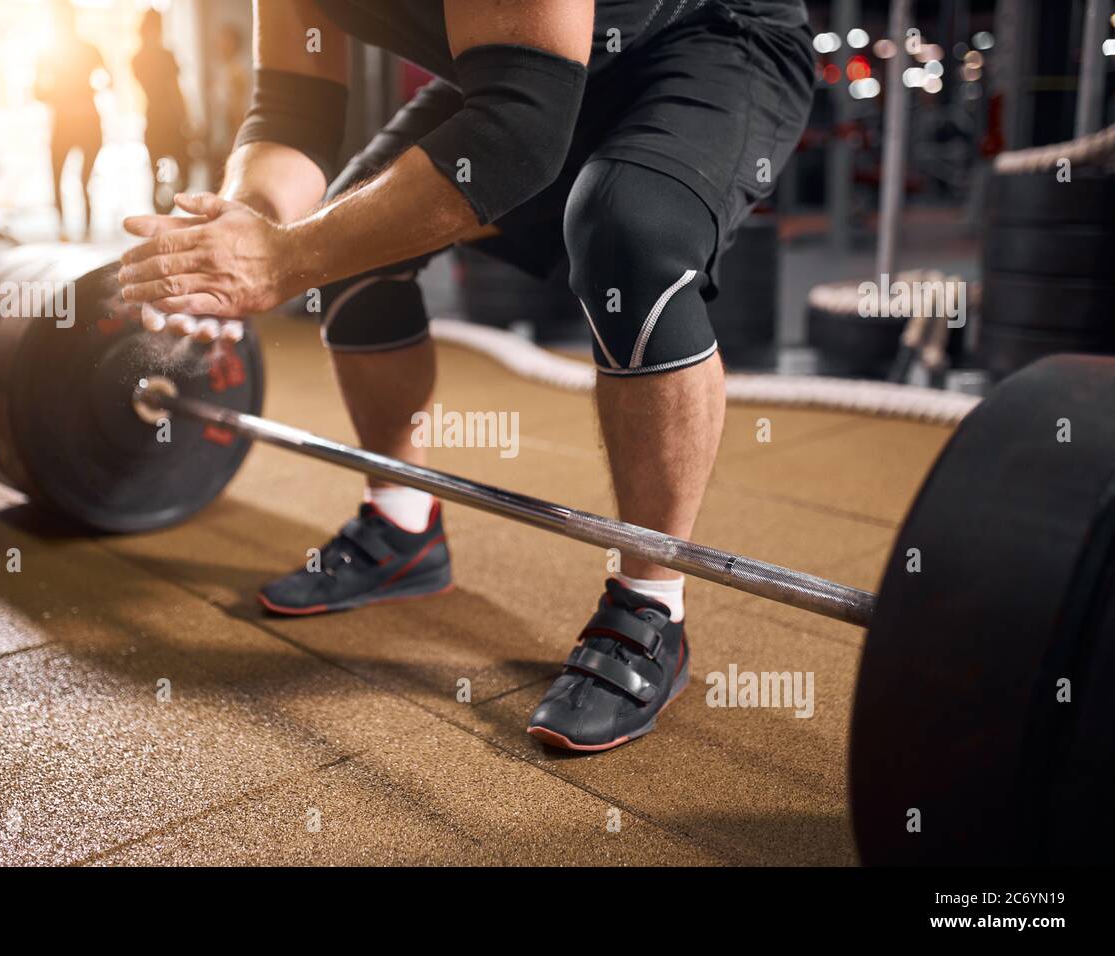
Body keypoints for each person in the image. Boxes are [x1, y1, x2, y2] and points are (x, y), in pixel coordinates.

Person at [118, 0, 814, 753]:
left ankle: (652, 605)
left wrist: (283, 261)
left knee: (629, 232)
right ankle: (402, 525)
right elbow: (292, 109)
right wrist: (248, 225)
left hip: (707, 43)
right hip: (519, 69)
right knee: (352, 245)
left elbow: (517, 131)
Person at [34, 1, 108, 241]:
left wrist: (83, 92)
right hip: (67, 123)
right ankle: (66, 229)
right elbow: (37, 91)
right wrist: (63, 94)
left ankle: (85, 230)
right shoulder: (49, 53)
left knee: (82, 179)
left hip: (85, 122)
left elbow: (109, 79)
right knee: (59, 176)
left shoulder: (88, 49)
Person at [132, 9, 192, 214]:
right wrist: (186, 118)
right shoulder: (163, 56)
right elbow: (174, 90)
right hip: (169, 120)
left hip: (155, 119)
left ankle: (163, 210)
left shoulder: (137, 58)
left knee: (160, 171)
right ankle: (164, 209)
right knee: (180, 169)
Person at [208, 23, 253, 177]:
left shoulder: (237, 70)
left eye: (225, 41)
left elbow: (237, 107)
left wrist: (234, 141)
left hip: (230, 137)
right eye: (219, 41)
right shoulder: (223, 69)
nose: (220, 46)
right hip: (221, 136)